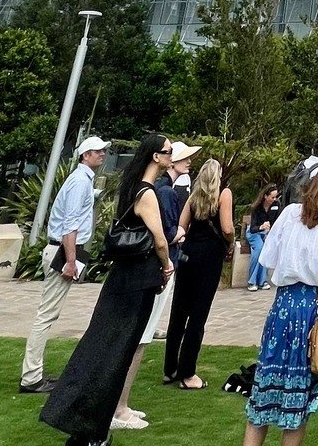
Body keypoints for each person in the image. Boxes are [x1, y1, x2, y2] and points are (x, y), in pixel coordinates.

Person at [40, 134, 174, 446]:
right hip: (138, 279)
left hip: (123, 279)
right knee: (115, 353)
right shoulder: (147, 193)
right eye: (167, 151)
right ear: (155, 156)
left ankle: (88, 426)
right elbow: (159, 240)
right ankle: (90, 429)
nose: (170, 156)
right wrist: (166, 265)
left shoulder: (130, 187)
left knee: (102, 347)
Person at [244, 160, 318, 445]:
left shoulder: (290, 213)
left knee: (263, 393)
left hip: (283, 306)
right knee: (299, 399)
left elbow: (267, 259)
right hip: (314, 311)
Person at [112, 139, 197, 428]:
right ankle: (118, 408)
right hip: (149, 270)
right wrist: (169, 257)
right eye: (173, 154)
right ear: (160, 157)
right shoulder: (158, 192)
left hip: (140, 271)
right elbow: (162, 237)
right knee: (140, 336)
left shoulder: (148, 188)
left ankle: (120, 405)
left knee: (139, 336)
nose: (183, 161)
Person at [20, 135, 109, 395]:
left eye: (103, 150)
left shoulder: (83, 180)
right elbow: (70, 224)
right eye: (97, 151)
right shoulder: (80, 181)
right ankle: (31, 377)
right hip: (62, 251)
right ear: (85, 155)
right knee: (46, 315)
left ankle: (33, 374)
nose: (102, 154)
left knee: (48, 314)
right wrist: (70, 261)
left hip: (63, 250)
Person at [162, 157, 234, 388]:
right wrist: (231, 243)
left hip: (189, 253)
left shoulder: (193, 198)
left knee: (179, 311)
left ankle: (170, 369)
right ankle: (187, 373)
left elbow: (183, 226)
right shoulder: (224, 195)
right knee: (198, 314)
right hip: (210, 256)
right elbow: (227, 227)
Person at [244, 184, 281, 291]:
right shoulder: (257, 207)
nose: (274, 199)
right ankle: (252, 281)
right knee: (259, 249)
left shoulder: (276, 205)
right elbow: (252, 229)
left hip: (267, 234)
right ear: (265, 196)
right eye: (272, 197)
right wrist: (261, 227)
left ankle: (262, 280)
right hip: (254, 233)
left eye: (275, 197)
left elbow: (277, 222)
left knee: (266, 249)